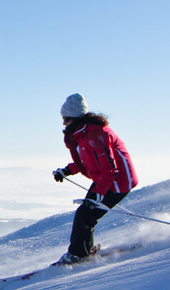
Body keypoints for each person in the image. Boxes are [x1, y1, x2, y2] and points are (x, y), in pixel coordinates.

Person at [51, 93, 138, 265]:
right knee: (86, 213)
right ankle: (83, 251)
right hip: (105, 179)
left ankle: (78, 255)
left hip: (119, 181)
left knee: (86, 214)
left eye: (66, 119)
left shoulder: (97, 135)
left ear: (75, 118)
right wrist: (67, 171)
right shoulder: (84, 134)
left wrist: (98, 193)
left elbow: (109, 168)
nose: (63, 123)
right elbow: (88, 161)